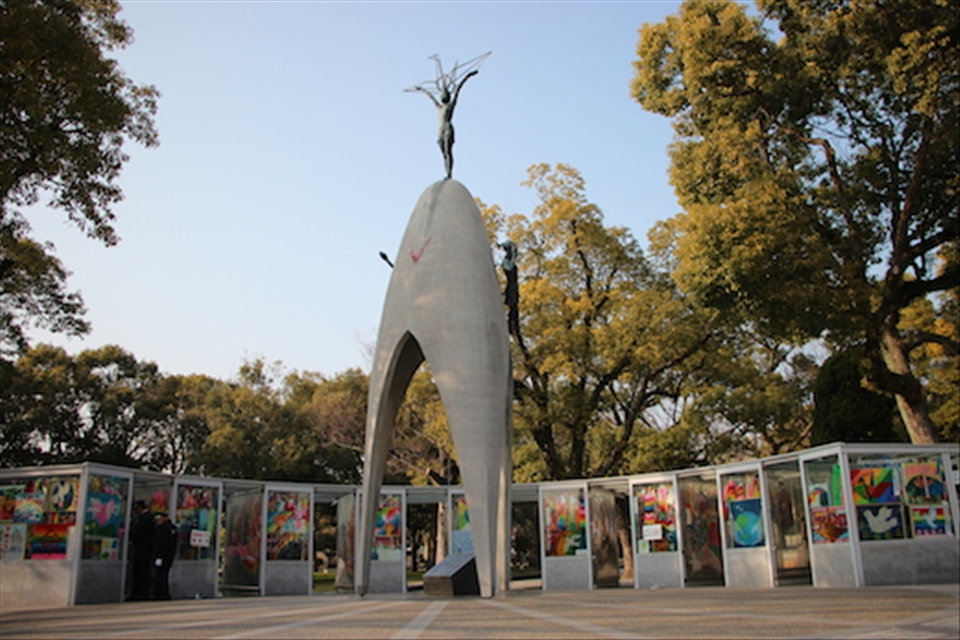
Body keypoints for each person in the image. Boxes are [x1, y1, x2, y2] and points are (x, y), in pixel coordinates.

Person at [127, 499, 156, 601]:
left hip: (144, 550)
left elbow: (143, 534)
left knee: (142, 572)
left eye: (136, 509)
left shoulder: (147, 518)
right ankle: (137, 592)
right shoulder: (142, 518)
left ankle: (141, 593)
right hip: (140, 550)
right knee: (137, 572)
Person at [153, 512, 178, 600]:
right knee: (163, 574)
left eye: (159, 519)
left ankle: (161, 594)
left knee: (161, 575)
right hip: (168, 556)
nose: (157, 521)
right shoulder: (171, 528)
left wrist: (159, 556)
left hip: (163, 556)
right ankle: (163, 593)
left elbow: (162, 544)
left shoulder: (165, 529)